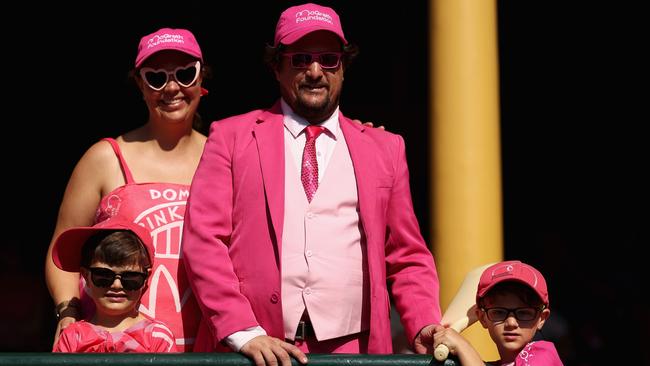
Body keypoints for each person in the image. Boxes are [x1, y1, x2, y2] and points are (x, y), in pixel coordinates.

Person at [181, 3, 441, 364]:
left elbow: (407, 257)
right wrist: (243, 331)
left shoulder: (386, 148)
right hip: (256, 349)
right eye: (300, 59)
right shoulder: (232, 137)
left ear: (344, 67)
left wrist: (423, 323)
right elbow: (203, 240)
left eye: (329, 60)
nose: (316, 71)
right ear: (277, 67)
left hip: (354, 350)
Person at [44, 27, 208, 351]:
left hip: (206, 352)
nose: (172, 87)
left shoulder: (224, 156)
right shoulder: (105, 157)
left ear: (202, 80)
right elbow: (60, 252)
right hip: (114, 351)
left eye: (186, 74)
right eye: (156, 78)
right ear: (140, 84)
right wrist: (68, 310)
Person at [52, 216, 177, 352]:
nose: (116, 285)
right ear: (86, 275)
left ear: (146, 278)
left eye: (130, 278)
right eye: (104, 275)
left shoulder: (157, 337)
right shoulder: (72, 337)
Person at [433, 260, 564, 365]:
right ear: (482, 318)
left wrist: (463, 346)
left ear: (541, 319)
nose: (511, 323)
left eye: (524, 313)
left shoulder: (544, 354)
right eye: (499, 312)